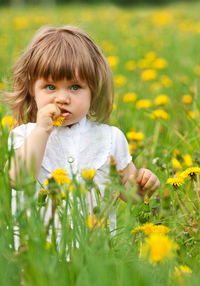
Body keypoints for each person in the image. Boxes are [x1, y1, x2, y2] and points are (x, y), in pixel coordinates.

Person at [3, 25, 160, 232]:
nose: (62, 98)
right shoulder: (24, 135)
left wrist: (142, 186)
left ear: (93, 90)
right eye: (50, 87)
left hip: (94, 249)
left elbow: (128, 192)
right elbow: (17, 179)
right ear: (33, 90)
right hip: (37, 251)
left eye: (75, 87)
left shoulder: (109, 138)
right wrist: (41, 131)